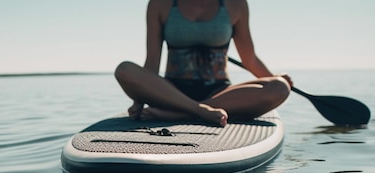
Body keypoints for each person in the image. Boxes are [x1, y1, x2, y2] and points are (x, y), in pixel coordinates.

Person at [115, 0, 293, 127]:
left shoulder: (236, 4)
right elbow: (152, 64)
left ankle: (183, 114)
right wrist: (139, 99)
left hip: (219, 92)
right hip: (172, 93)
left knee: (279, 87)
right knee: (124, 69)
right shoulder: (160, 4)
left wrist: (274, 78)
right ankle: (199, 110)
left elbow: (250, 59)